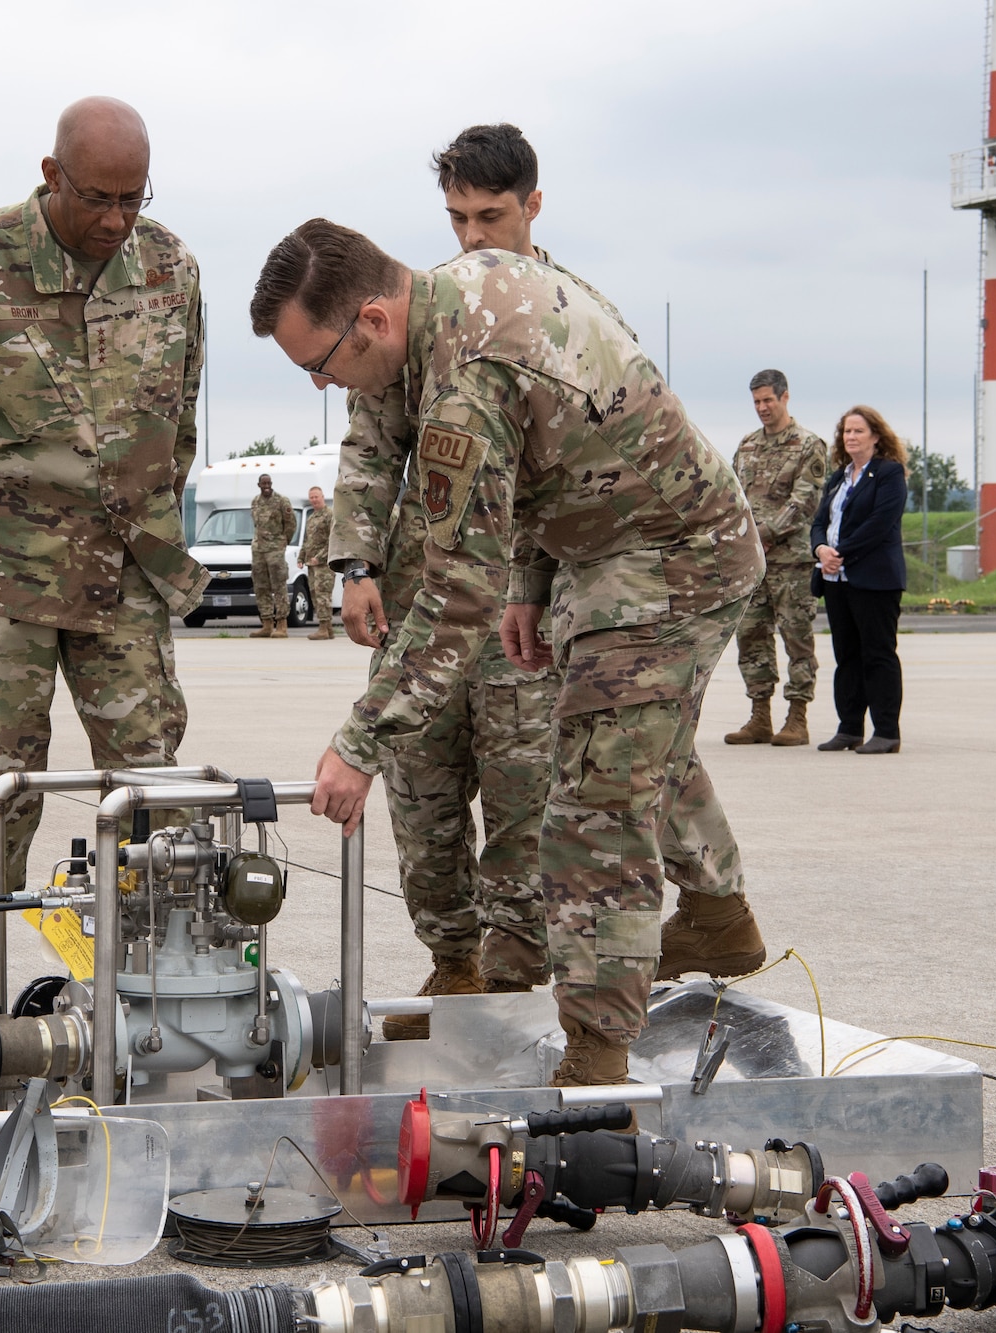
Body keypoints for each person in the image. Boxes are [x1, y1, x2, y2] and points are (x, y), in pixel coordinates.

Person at [255, 219, 765, 1084]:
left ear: (373, 319)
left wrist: (359, 743)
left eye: (322, 362)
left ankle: (597, 1060)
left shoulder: (463, 385)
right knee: (640, 747)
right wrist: (531, 579)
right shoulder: (482, 276)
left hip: (667, 558)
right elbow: (563, 436)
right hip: (615, 544)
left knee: (592, 808)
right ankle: (720, 918)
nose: (322, 383)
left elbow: (454, 596)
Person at [0, 97, 207, 1060]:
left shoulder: (173, 269)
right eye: (97, 198)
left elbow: (177, 420)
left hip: (123, 574)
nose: (115, 220)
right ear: (50, 176)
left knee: (154, 788)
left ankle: (159, 993)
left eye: (133, 199)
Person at [331, 124, 614, 1034]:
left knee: (525, 797)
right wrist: (357, 563)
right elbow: (370, 449)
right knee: (423, 801)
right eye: (456, 217)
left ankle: (509, 980)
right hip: (425, 602)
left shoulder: (572, 312)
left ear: (534, 205)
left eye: (491, 215)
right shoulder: (416, 319)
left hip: (524, 608)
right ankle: (452, 964)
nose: (473, 237)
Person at [724, 370, 830, 748]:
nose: (762, 408)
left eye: (768, 400)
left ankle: (797, 717)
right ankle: (760, 716)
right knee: (750, 637)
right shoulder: (748, 446)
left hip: (791, 564)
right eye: (756, 402)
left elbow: (804, 502)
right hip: (753, 565)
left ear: (785, 398)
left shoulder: (808, 445)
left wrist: (763, 535)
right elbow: (733, 497)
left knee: (796, 639)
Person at [811, 406, 908, 754]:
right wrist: (821, 549)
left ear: (876, 436)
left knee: (878, 654)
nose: (850, 437)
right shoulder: (838, 477)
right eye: (846, 432)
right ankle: (849, 727)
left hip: (874, 579)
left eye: (858, 431)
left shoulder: (889, 473)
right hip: (837, 580)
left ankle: (886, 731)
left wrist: (841, 553)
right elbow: (819, 521)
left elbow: (880, 524)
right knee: (846, 655)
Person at [249, 472, 296, 637]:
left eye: (269, 483)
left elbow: (291, 523)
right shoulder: (255, 502)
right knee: (261, 587)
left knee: (279, 586)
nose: (267, 486)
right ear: (259, 485)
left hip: (275, 549)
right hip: (259, 550)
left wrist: (283, 541)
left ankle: (282, 624)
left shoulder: (282, 501)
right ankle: (267, 623)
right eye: (264, 484)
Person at [301, 486, 335, 639]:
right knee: (315, 595)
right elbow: (307, 541)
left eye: (316, 497)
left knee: (323, 595)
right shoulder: (311, 517)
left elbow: (333, 540)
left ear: (322, 496)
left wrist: (320, 557)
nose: (314, 500)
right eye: (311, 497)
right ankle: (328, 629)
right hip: (311, 564)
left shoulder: (329, 515)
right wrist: (301, 557)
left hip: (324, 564)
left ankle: (323, 628)